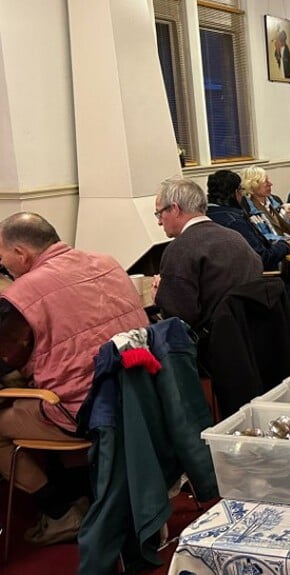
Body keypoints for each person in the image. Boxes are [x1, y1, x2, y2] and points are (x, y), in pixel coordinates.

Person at [0, 212, 147, 545]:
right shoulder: (106, 261)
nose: (3, 264)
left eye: (2, 256)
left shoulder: (23, 294)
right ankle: (84, 493)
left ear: (21, 254)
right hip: (138, 394)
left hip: (82, 411)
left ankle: (61, 513)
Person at [155, 177, 264, 331]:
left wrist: (161, 295)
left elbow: (180, 319)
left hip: (214, 345)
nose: (159, 222)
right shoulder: (236, 237)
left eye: (159, 213)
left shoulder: (179, 250)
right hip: (254, 336)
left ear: (175, 209)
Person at [207, 169, 290, 272]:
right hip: (262, 273)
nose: (270, 184)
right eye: (265, 181)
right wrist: (286, 245)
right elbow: (261, 256)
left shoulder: (207, 214)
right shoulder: (240, 217)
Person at [241, 166, 290, 240]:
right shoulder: (246, 209)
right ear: (252, 185)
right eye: (265, 181)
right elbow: (260, 238)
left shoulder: (276, 201)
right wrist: (287, 239)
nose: (270, 184)